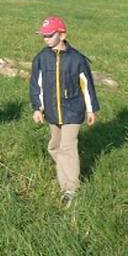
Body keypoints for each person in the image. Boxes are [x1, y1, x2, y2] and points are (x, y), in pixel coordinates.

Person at [29, 16, 99, 207]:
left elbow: (86, 86)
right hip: (52, 112)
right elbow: (37, 86)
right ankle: (68, 171)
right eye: (43, 36)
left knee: (68, 147)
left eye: (49, 35)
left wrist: (91, 110)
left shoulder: (76, 59)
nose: (46, 39)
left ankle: (70, 188)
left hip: (73, 110)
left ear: (62, 34)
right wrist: (37, 108)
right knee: (55, 146)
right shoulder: (41, 59)